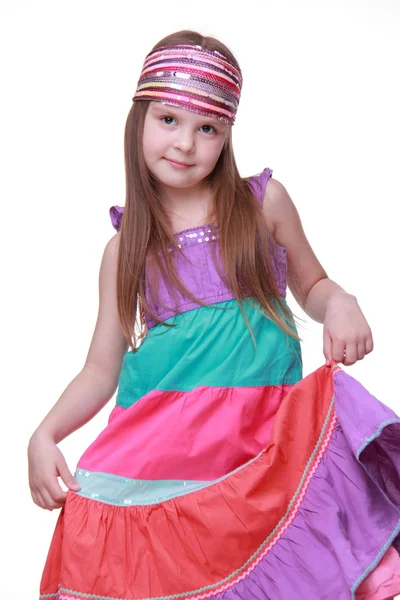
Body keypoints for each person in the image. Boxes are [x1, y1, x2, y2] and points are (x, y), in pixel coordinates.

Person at [28, 29, 400, 600]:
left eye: (208, 128)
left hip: (258, 441)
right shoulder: (125, 248)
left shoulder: (260, 206)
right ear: (139, 121)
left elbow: (313, 284)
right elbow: (101, 369)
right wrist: (47, 432)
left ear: (227, 137)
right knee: (132, 559)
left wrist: (341, 303)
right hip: (161, 450)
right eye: (168, 120)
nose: (185, 143)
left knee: (303, 565)